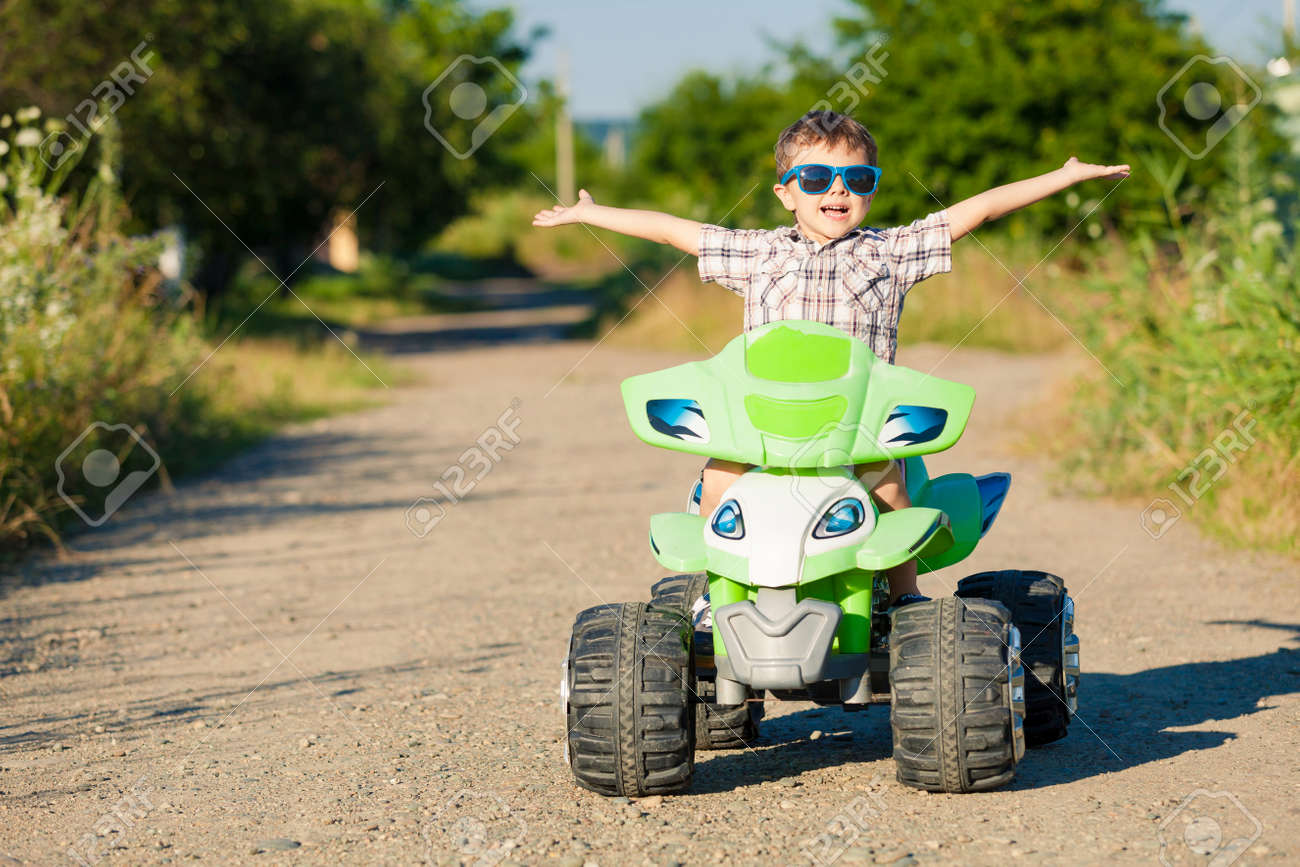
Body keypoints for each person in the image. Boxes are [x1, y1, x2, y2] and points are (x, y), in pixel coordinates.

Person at [533, 109, 1128, 607]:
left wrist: (1062, 176)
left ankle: (904, 600)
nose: (837, 190)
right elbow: (671, 231)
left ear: (871, 187)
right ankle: (716, 600)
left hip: (858, 427)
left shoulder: (890, 252)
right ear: (786, 193)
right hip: (764, 426)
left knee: (892, 493)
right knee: (716, 485)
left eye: (856, 178)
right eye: (816, 177)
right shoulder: (757, 254)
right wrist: (591, 214)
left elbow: (978, 211)